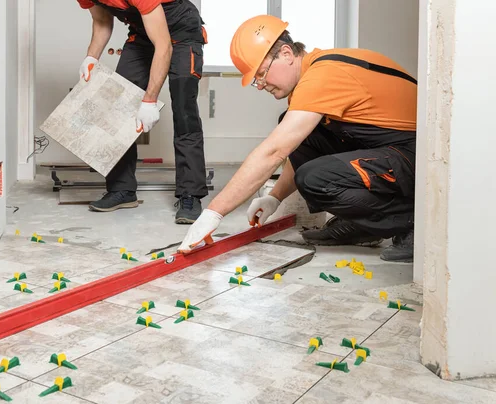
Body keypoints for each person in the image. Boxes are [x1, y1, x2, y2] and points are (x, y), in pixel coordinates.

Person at [178, 15, 417, 262]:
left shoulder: (323, 76)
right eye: (255, 81)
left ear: (286, 54)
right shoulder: (314, 71)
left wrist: (214, 213)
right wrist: (274, 197)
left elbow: (274, 152)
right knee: (293, 125)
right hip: (388, 147)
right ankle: (365, 225)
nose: (260, 85)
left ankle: (411, 223)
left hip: (415, 155)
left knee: (315, 180)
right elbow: (297, 146)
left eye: (261, 74)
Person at [76, 0, 209, 224]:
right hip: (145, 35)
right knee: (119, 104)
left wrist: (149, 100)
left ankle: (191, 195)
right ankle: (122, 190)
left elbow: (164, 46)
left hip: (183, 33)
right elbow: (101, 21)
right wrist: (91, 57)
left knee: (184, 111)